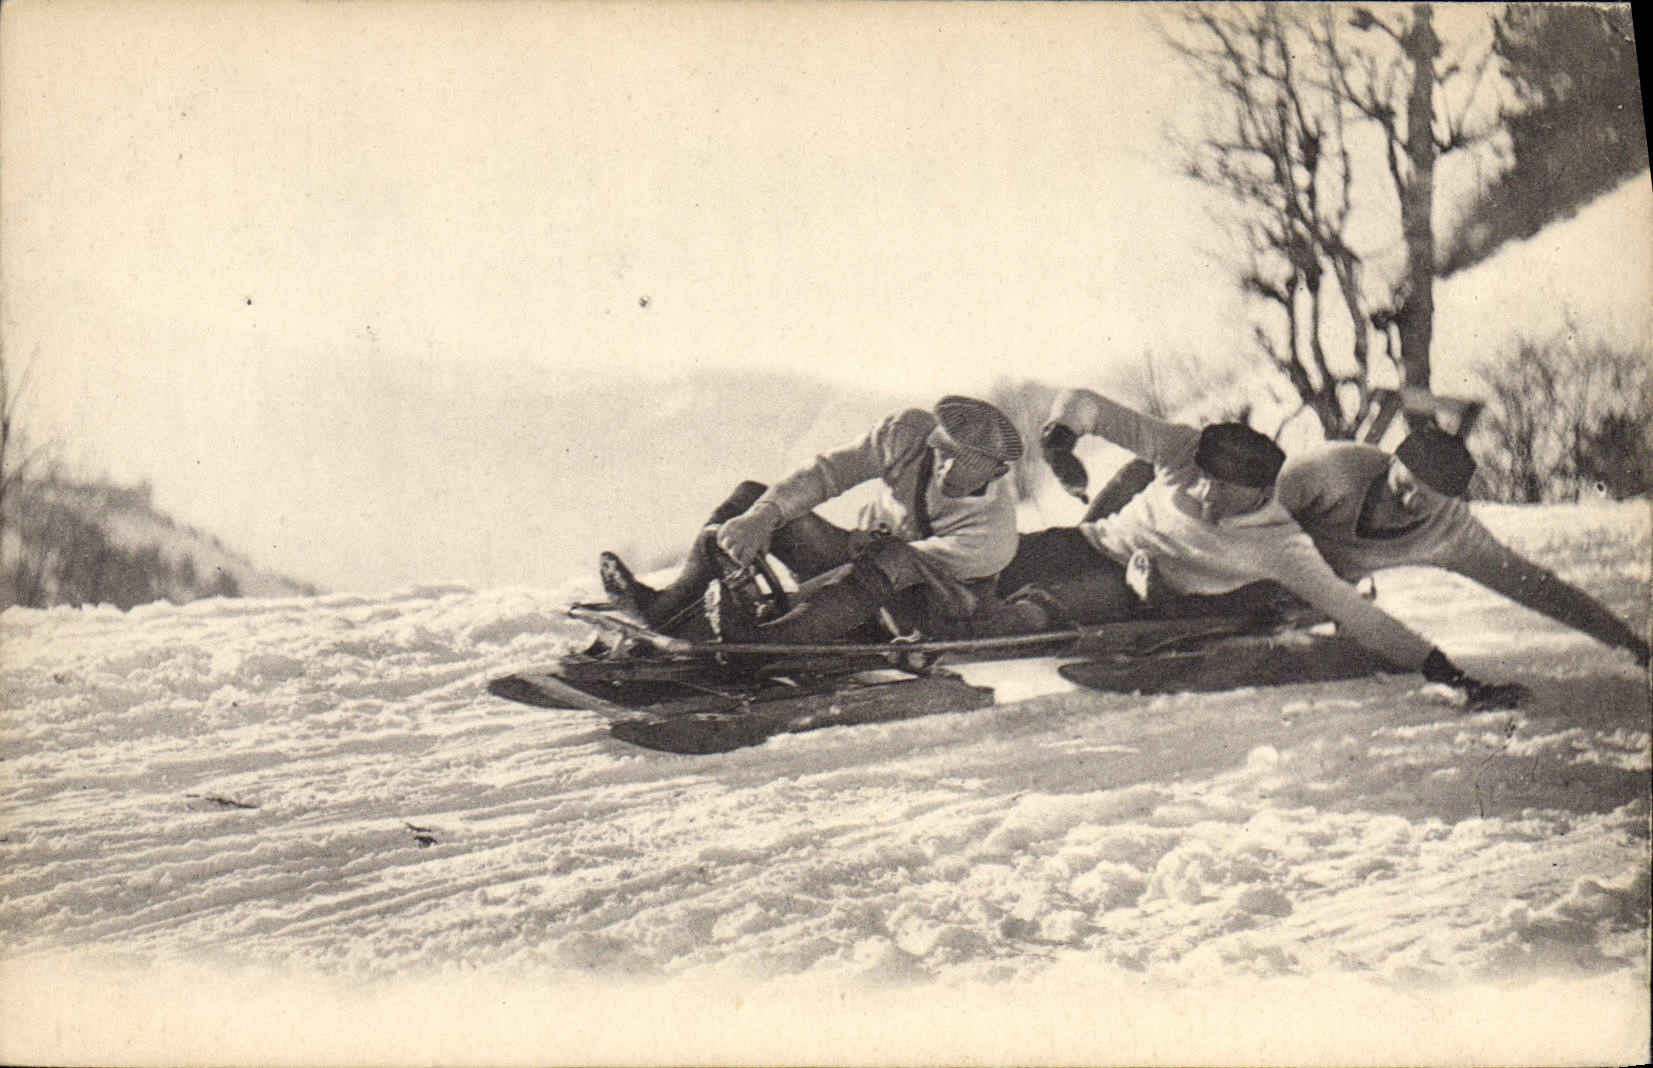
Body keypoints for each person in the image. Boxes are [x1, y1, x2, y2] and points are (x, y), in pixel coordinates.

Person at [989, 387, 1529, 710]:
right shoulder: (1183, 448)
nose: (1201, 494)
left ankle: (972, 621)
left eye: (1220, 488)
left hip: (1135, 588)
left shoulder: (1280, 544)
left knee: (1035, 607)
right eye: (1198, 479)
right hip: (1087, 542)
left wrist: (1453, 676)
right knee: (990, 558)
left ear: (1258, 492)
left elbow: (1362, 617)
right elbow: (1086, 405)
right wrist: (1061, 441)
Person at [598, 395, 1024, 645]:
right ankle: (664, 608)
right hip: (857, 572)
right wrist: (762, 517)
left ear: (996, 472)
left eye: (963, 463)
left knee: (893, 557)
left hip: (922, 610)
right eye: (943, 452)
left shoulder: (992, 535)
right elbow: (828, 474)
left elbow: (903, 565)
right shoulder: (908, 434)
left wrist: (792, 598)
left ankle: (767, 644)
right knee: (752, 498)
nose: (946, 468)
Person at [1273, 424, 1650, 667]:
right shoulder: (1328, 468)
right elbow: (1237, 520)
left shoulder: (1452, 532)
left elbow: (1537, 587)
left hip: (1309, 598)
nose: (1406, 503)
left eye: (1423, 500)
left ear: (1449, 501)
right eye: (1401, 487)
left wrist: (1628, 642)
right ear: (1391, 463)